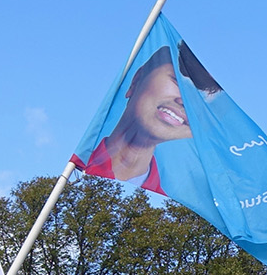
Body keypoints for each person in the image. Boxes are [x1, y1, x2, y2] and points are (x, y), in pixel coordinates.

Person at [81, 45, 189, 192]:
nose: (184, 101)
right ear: (136, 80)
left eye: (198, 100)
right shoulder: (79, 165)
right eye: (177, 82)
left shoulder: (170, 195)